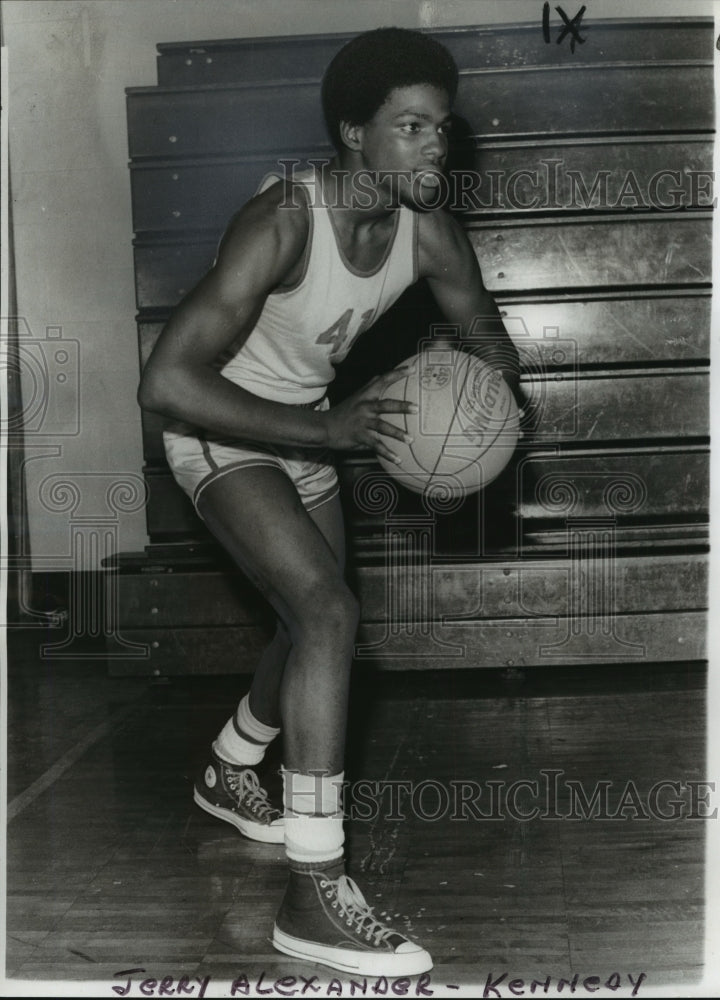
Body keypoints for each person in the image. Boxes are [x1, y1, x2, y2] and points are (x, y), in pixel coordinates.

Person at [138, 27, 520, 977]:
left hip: (305, 425)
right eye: (412, 127)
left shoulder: (429, 228)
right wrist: (333, 435)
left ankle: (234, 763)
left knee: (309, 627)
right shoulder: (281, 221)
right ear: (354, 133)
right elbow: (166, 383)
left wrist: (485, 407)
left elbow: (489, 339)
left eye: (443, 128)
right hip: (220, 425)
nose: (437, 146)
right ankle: (312, 892)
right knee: (325, 609)